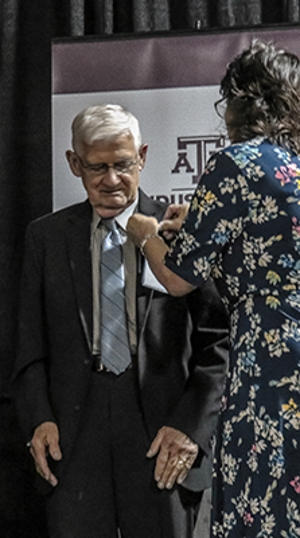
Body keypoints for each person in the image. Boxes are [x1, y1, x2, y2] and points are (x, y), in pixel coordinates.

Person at [13, 103, 229, 538]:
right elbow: (27, 346)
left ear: (143, 157)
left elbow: (218, 345)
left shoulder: (181, 230)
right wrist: (39, 418)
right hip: (73, 437)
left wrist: (190, 427)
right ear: (74, 163)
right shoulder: (46, 238)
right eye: (97, 167)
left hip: (161, 432)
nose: (112, 180)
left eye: (123, 164)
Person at [126, 39, 300, 537]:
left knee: (261, 507)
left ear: (239, 101)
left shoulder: (236, 162)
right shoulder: (291, 166)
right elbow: (263, 246)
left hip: (270, 369)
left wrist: (145, 235)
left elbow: (178, 278)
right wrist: (200, 223)